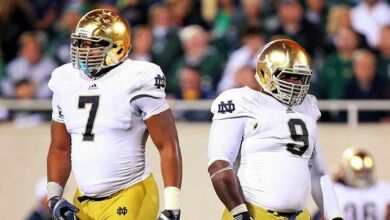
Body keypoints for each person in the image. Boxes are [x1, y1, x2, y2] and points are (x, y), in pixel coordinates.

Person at [46, 9, 182, 220]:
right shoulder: (64, 79)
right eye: (81, 43)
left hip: (130, 193)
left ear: (117, 46)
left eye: (93, 44)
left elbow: (167, 144)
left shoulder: (138, 77)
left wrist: (172, 204)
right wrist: (54, 196)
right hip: (83, 200)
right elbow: (60, 147)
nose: (84, 50)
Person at [207, 39, 344, 220]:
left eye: (300, 77)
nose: (295, 83)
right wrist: (240, 214)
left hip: (301, 216)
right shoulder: (242, 101)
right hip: (254, 213)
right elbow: (219, 163)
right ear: (265, 73)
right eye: (288, 76)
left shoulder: (307, 108)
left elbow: (318, 173)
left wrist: (334, 215)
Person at [331, 147, 390, 220]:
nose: (362, 175)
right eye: (358, 171)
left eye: (365, 171)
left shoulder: (383, 189)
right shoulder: (335, 191)